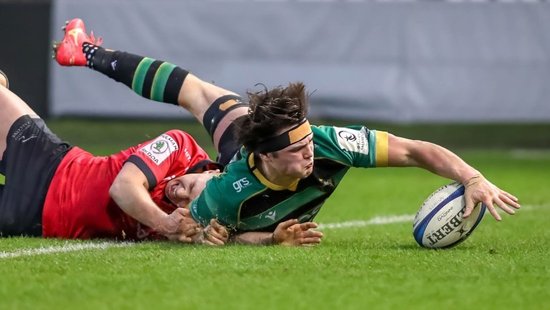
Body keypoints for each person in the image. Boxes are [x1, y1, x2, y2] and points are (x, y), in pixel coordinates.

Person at [54, 18, 520, 245]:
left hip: (257, 151)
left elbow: (414, 150)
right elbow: (205, 236)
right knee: (194, 94)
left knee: (196, 91)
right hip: (244, 152)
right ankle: (86, 52)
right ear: (271, 156)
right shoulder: (227, 191)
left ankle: (85, 51)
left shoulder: (326, 143)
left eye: (307, 139)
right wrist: (241, 238)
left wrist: (472, 176)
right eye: (297, 147)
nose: (310, 151)